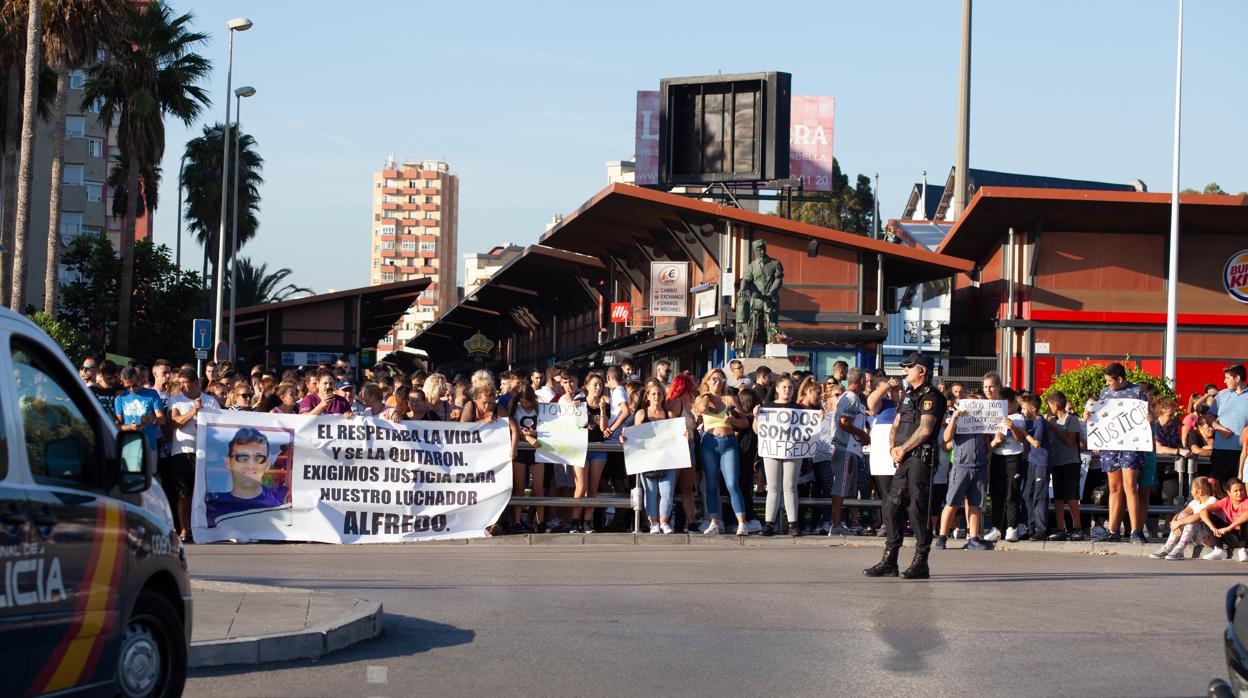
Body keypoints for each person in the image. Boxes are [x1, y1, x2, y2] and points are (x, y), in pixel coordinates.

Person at [864, 352, 946, 580]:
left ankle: (921, 561)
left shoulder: (932, 397)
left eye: (910, 367)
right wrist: (893, 448)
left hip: (920, 458)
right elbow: (897, 424)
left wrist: (903, 449)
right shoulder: (908, 395)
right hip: (903, 458)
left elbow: (926, 430)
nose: (905, 370)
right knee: (891, 506)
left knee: (917, 509)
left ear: (922, 371)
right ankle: (890, 559)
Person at [1092, 362, 1149, 544]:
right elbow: (1101, 416)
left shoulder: (1138, 392)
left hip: (1131, 444)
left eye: (1110, 381)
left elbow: (1146, 417)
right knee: (1114, 487)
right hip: (1111, 443)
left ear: (1120, 379)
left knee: (1130, 486)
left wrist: (1150, 418)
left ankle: (1136, 530)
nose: (1108, 384)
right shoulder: (1104, 393)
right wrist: (1091, 419)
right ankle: (1113, 530)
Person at [695, 369, 751, 536]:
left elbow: (745, 422)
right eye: (714, 379)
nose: (717, 382)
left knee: (732, 484)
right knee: (711, 484)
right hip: (710, 442)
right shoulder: (702, 399)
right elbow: (701, 409)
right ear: (708, 380)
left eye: (720, 379)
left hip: (728, 442)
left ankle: (742, 523)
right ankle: (713, 521)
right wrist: (707, 394)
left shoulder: (730, 399)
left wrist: (733, 420)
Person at [166, 369, 218, 540]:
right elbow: (176, 422)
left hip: (205, 453)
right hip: (183, 453)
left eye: (184, 383)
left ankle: (204, 526)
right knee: (184, 493)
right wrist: (193, 412)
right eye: (179, 383)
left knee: (203, 492)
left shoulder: (210, 401)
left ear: (196, 383)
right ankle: (184, 529)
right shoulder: (175, 401)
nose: (181, 386)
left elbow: (220, 424)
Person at [936, 393, 992, 550]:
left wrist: (995, 438)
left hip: (980, 466)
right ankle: (942, 536)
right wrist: (954, 418)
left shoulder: (983, 423)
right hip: (961, 466)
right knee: (952, 502)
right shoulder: (959, 420)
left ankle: (973, 538)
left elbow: (987, 445)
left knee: (975, 504)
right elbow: (946, 439)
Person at [205, 428, 289, 527]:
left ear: (267, 464)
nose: (250, 465)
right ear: (228, 463)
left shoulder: (283, 499)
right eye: (242, 457)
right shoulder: (213, 503)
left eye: (259, 458)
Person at [755, 376, 802, 536]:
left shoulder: (799, 408)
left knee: (790, 486)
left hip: (792, 450)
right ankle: (769, 523)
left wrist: (819, 417)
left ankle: (793, 524)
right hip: (773, 450)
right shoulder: (767, 407)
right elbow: (757, 430)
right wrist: (756, 416)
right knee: (773, 487)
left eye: (790, 387)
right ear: (777, 389)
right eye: (784, 387)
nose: (787, 390)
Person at [632, 380, 679, 533]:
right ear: (647, 396)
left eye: (659, 394)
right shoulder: (641, 414)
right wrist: (625, 439)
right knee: (650, 493)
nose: (656, 396)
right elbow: (634, 435)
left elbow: (675, 436)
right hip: (648, 459)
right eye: (653, 394)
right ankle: (653, 523)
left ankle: (664, 522)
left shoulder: (669, 415)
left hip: (666, 459)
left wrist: (682, 435)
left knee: (667, 491)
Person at [985, 387, 1027, 543]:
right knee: (996, 494)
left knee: (1012, 493)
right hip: (997, 457)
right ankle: (996, 527)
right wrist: (995, 440)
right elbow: (989, 445)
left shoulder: (1018, 417)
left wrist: (1012, 426)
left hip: (1013, 457)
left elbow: (1021, 439)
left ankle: (1012, 527)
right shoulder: (993, 417)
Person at [1045, 391, 1086, 541]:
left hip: (1070, 462)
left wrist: (1054, 428)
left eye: (1050, 405)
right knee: (1058, 498)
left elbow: (1070, 441)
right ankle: (1061, 528)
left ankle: (1077, 527)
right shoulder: (1052, 421)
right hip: (1056, 462)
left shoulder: (1071, 420)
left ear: (1056, 405)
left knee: (1072, 497)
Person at [1151, 476, 1223, 560]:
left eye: (1192, 489)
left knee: (1192, 520)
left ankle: (1180, 549)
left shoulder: (1212, 500)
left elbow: (1198, 516)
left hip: (1211, 538)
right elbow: (1182, 513)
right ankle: (1168, 547)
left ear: (1200, 492)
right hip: (1198, 537)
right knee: (1183, 516)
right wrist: (1174, 522)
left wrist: (1179, 523)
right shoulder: (1195, 502)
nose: (1191, 492)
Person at [666, 373, 701, 531]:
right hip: (678, 447)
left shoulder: (689, 404)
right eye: (691, 385)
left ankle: (691, 521)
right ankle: (665, 519)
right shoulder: (676, 403)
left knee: (687, 488)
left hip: (690, 446)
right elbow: (669, 425)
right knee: (671, 487)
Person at [509, 382, 544, 532]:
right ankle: (517, 522)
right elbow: (514, 429)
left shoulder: (539, 409)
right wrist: (527, 437)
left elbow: (548, 427)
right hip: (521, 450)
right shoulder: (515, 409)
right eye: (522, 402)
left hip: (538, 450)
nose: (525, 405)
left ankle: (541, 521)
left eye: (527, 401)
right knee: (519, 487)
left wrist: (534, 433)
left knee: (539, 487)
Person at [1209, 364, 1248, 483]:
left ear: (1237, 378)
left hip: (1243, 453)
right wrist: (1219, 428)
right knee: (1219, 488)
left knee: (1240, 491)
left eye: (1227, 378)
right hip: (1220, 451)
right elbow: (1209, 417)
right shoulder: (1221, 395)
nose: (1224, 381)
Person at [1018, 394, 1049, 540]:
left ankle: (1041, 529)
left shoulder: (1040, 421)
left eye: (1024, 408)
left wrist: (1024, 433)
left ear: (1033, 408)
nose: (1023, 411)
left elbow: (1036, 443)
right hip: (1032, 461)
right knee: (1026, 494)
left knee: (1039, 496)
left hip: (1041, 462)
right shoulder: (1031, 421)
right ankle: (1030, 526)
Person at [1197, 478, 1248, 561]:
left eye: (1241, 490)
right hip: (1233, 537)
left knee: (1245, 519)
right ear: (1229, 492)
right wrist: (1212, 528)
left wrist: (1228, 528)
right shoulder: (1226, 501)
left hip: (1245, 537)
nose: (1239, 493)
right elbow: (1203, 511)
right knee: (1207, 517)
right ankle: (1219, 550)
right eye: (1236, 491)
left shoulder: (1246, 501)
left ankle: (1243, 549)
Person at [115, 366, 164, 450]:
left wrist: (151, 420)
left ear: (138, 379)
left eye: (134, 385)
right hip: (129, 446)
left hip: (149, 446)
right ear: (122, 382)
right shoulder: (120, 398)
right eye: (127, 387)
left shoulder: (152, 394)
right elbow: (118, 425)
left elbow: (163, 420)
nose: (131, 389)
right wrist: (130, 427)